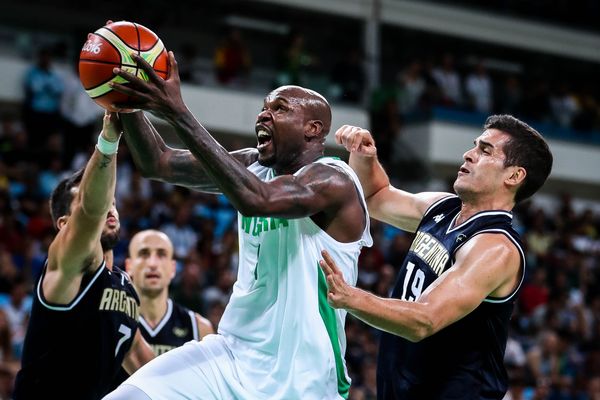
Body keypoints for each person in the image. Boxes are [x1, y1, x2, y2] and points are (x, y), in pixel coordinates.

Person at [103, 51, 372, 400]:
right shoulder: (254, 166)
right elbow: (159, 162)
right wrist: (127, 99)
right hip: (232, 354)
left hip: (303, 377)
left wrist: (177, 111)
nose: (263, 114)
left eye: (280, 108)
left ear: (313, 129)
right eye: (264, 107)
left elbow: (257, 199)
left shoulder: (334, 180)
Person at [319, 116, 553, 399]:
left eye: (485, 151)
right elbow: (374, 198)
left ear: (514, 176)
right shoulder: (444, 207)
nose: (469, 154)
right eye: (475, 146)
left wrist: (349, 297)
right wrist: (364, 157)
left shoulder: (495, 247)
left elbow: (425, 320)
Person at [13, 112, 155, 399]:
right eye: (103, 201)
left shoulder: (125, 286)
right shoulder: (69, 264)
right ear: (64, 225)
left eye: (112, 202)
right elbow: (91, 211)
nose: (109, 207)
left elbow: (142, 359)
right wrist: (108, 141)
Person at [125, 229, 214, 355]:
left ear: (173, 268)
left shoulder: (199, 328)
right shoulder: (112, 322)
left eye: (161, 254)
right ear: (129, 266)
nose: (152, 264)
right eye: (144, 254)